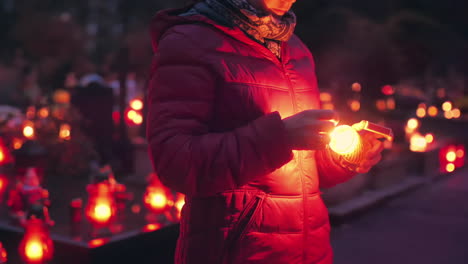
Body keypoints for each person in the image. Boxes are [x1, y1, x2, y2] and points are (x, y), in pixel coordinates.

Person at [147, 0, 384, 263]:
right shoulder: (191, 41)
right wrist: (279, 137)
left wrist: (346, 155)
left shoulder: (296, 49)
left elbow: (304, 173)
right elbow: (176, 161)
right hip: (238, 252)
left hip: (310, 252)